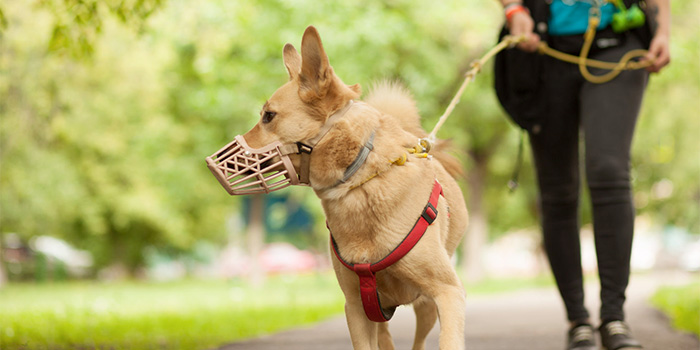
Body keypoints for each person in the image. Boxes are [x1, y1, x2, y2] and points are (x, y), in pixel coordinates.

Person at [495, 0, 670, 349]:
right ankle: (578, 320)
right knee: (557, 188)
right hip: (543, 46)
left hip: (617, 40)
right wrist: (514, 10)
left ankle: (614, 317)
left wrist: (663, 27)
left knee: (608, 170)